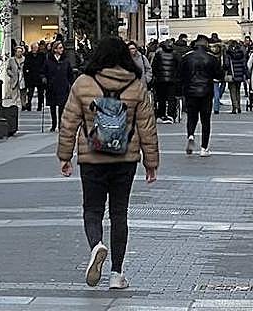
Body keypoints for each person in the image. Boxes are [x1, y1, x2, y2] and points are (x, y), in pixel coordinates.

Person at [57, 36, 159, 291]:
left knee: (92, 209)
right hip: (125, 159)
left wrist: (65, 156)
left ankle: (96, 245)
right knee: (119, 213)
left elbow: (68, 122)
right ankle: (116, 273)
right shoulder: (136, 85)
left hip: (92, 157)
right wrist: (151, 162)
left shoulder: (83, 83)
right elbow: (147, 127)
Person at [178, 34, 219, 156]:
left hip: (190, 91)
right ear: (206, 44)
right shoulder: (211, 58)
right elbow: (219, 74)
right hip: (206, 91)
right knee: (205, 120)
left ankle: (190, 135)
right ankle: (204, 148)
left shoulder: (186, 57)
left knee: (191, 117)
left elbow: (180, 74)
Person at [44, 40, 76, 132]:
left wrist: (71, 84)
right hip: (52, 87)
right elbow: (43, 71)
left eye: (62, 48)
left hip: (63, 87)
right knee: (52, 107)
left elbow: (69, 74)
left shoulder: (65, 61)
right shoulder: (48, 61)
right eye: (60, 48)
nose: (62, 50)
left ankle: (60, 124)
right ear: (55, 49)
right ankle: (54, 125)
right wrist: (44, 78)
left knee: (62, 107)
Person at [151, 39, 179, 122]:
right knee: (171, 98)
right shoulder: (175, 54)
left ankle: (161, 114)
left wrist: (157, 75)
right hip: (172, 80)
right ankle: (171, 115)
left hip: (160, 80)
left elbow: (154, 67)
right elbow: (179, 66)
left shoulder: (158, 54)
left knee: (161, 98)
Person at [222, 39, 248, 114]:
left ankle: (234, 107)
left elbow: (226, 65)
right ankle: (239, 107)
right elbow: (244, 65)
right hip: (239, 75)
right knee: (238, 91)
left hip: (232, 74)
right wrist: (245, 74)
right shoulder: (241, 53)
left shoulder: (228, 54)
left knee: (232, 91)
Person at [25, 41, 47, 112]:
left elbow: (44, 65)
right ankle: (29, 105)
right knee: (30, 93)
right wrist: (27, 73)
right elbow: (26, 65)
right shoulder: (28, 55)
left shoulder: (42, 55)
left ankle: (39, 106)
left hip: (39, 77)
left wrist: (43, 75)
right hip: (31, 77)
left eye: (36, 48)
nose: (34, 49)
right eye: (33, 48)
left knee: (40, 93)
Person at [6, 44, 27, 110]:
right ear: (15, 52)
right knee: (14, 92)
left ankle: (23, 104)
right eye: (18, 51)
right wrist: (11, 74)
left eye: (21, 51)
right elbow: (8, 69)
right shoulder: (11, 60)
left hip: (23, 78)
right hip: (14, 78)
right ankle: (14, 104)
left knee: (23, 92)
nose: (19, 53)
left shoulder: (25, 59)